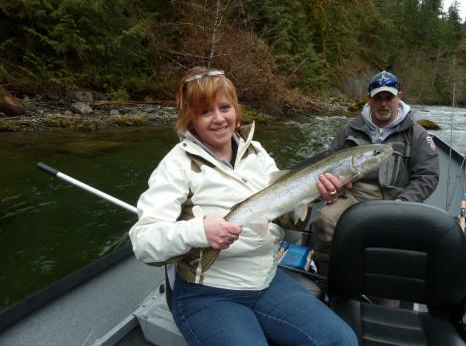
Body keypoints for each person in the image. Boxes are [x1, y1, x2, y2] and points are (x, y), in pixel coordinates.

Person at [129, 67, 357, 345]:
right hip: (207, 294)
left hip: (268, 280)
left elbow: (287, 217)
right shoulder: (177, 165)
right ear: (191, 119)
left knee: (342, 341)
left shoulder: (257, 152)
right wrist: (199, 232)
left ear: (236, 109)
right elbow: (144, 243)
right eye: (205, 112)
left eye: (225, 107)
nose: (219, 119)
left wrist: (316, 196)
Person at [313, 70, 440, 276]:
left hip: (396, 198)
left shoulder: (417, 134)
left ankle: (386, 291)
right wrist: (333, 187)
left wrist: (405, 201)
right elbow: (328, 164)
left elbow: (428, 176)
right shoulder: (349, 130)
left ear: (399, 97)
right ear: (369, 99)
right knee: (325, 221)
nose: (383, 104)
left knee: (393, 242)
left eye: (389, 97)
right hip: (353, 193)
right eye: (377, 98)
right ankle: (330, 276)